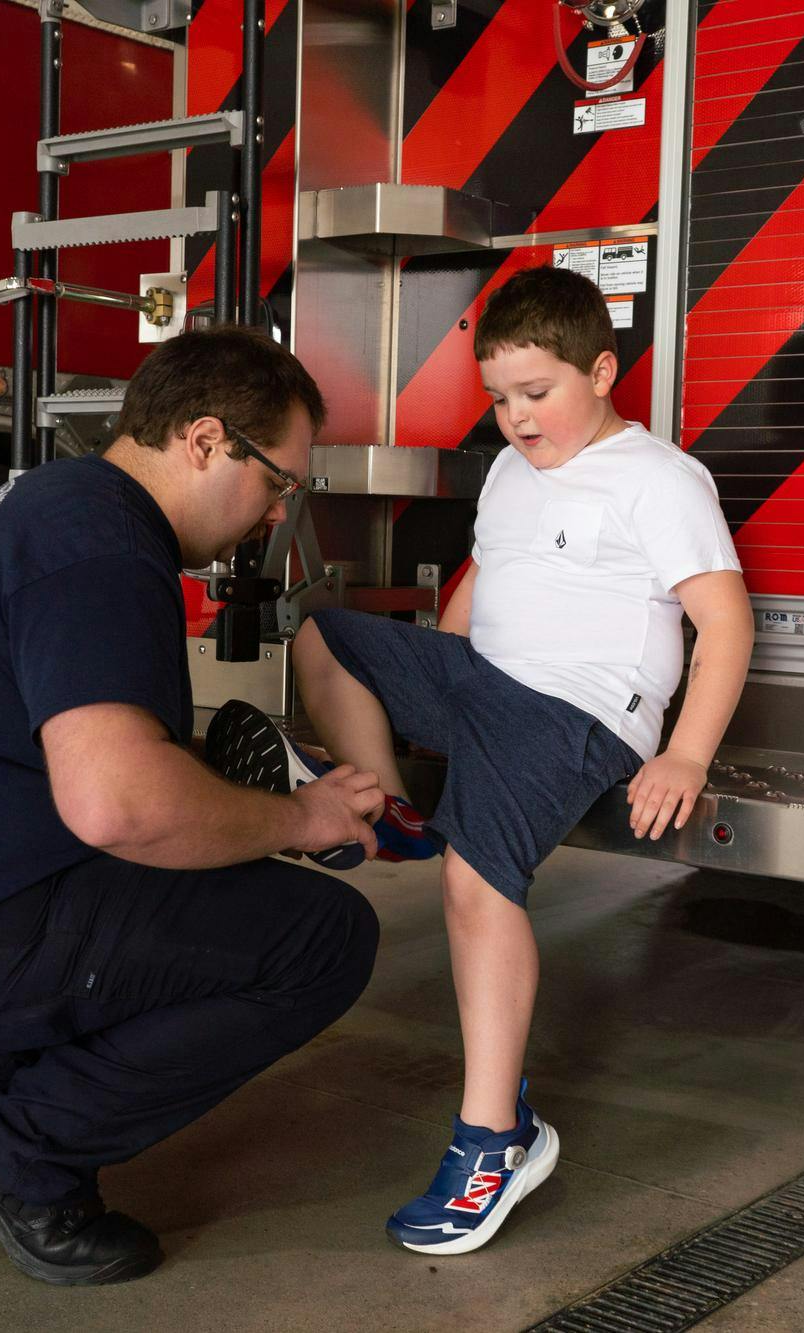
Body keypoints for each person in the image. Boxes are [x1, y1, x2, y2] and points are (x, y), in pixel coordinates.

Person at [0, 327, 385, 1286]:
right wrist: (304, 821)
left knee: (210, 860)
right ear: (206, 442)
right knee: (321, 939)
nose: (276, 513)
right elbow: (118, 805)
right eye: (280, 482)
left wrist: (244, 790)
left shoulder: (53, 504)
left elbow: (97, 758)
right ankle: (19, 1155)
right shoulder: (105, 548)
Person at [211, 266, 754, 1254]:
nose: (514, 417)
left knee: (477, 881)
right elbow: (482, 586)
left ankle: (495, 1138)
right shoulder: (510, 469)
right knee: (325, 633)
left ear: (600, 370)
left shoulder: (657, 478)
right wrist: (432, 673)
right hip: (486, 686)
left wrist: (682, 754)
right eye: (498, 397)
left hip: (575, 713)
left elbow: (725, 619)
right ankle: (383, 812)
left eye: (536, 393)